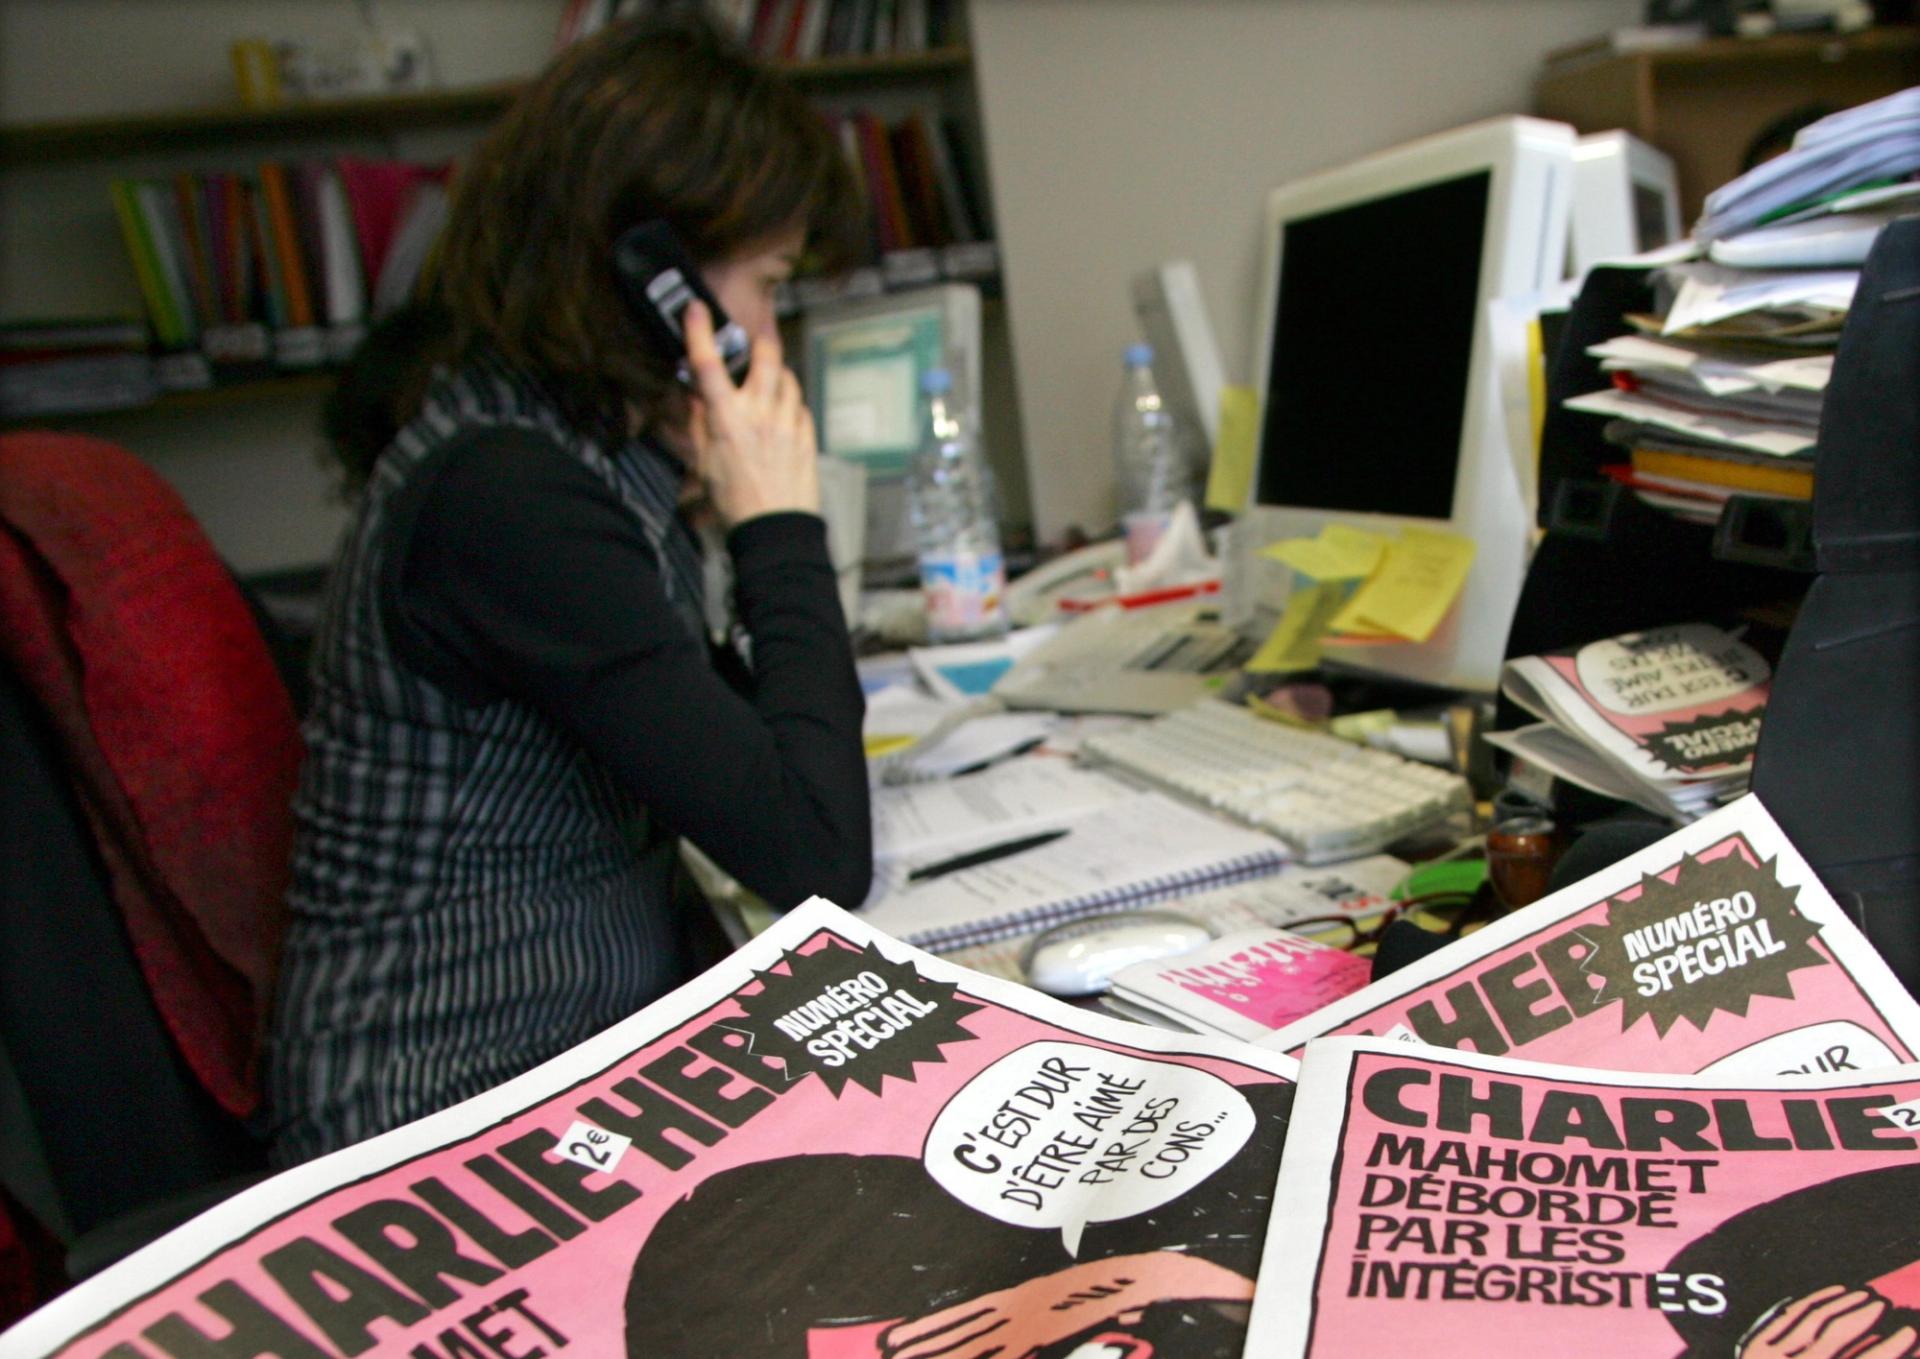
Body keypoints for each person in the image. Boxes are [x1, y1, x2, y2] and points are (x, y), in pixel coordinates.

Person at [265, 9, 873, 1167]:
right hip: (435, 1113)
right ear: (658, 281)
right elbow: (818, 857)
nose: (773, 333)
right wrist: (779, 523)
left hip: (565, 1051)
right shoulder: (507, 500)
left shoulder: (561, 453)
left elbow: (745, 754)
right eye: (769, 283)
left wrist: (716, 514)